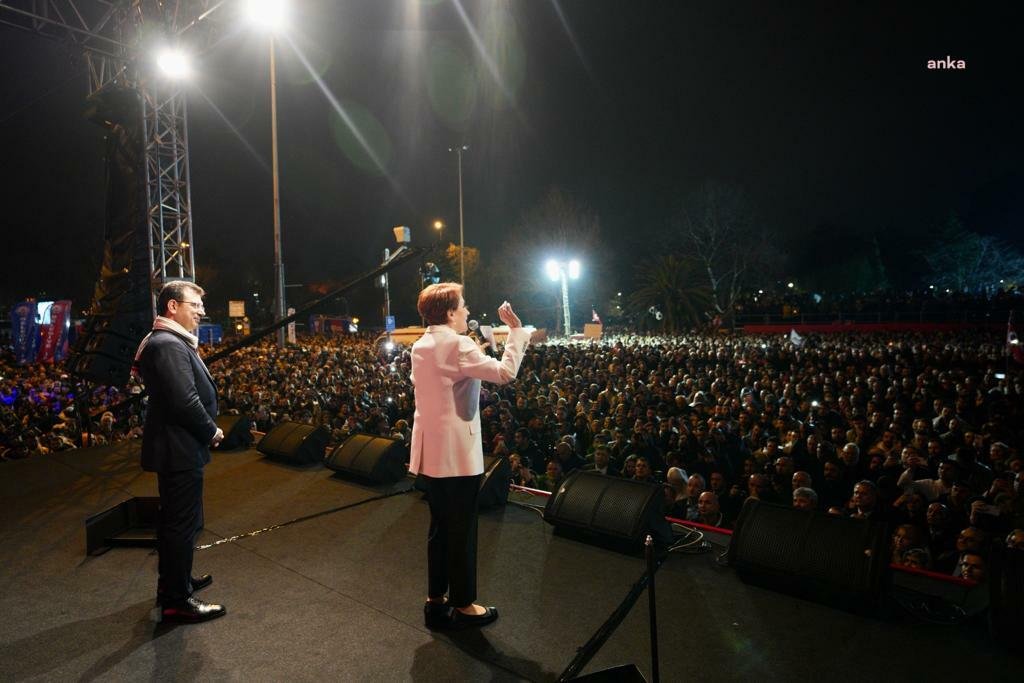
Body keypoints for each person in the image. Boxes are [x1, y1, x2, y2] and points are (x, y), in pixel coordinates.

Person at [409, 284, 530, 630]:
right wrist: (516, 331)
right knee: (461, 530)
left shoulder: (420, 346)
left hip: (430, 451)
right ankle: (463, 604)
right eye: (462, 306)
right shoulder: (458, 344)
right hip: (457, 455)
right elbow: (505, 374)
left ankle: (436, 599)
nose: (467, 312)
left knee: (439, 527)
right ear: (449, 313)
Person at [134, 281, 225, 623]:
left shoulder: (168, 341)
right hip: (179, 449)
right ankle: (176, 600)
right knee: (180, 526)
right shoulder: (169, 345)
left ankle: (176, 582)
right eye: (195, 305)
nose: (201, 312)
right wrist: (211, 431)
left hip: (179, 448)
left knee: (179, 523)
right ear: (172, 307)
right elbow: (184, 400)